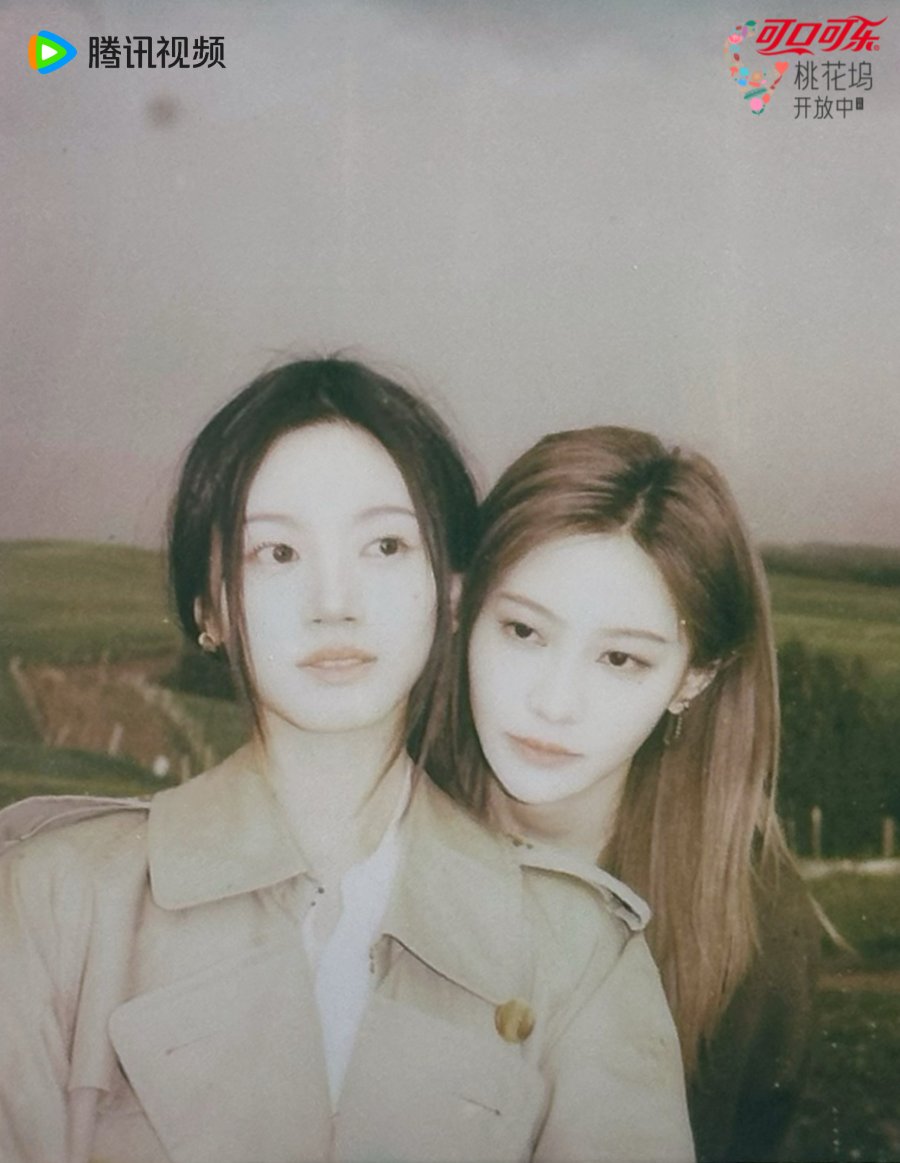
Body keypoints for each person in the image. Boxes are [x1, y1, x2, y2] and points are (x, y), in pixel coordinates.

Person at [0, 364, 694, 1163]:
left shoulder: (578, 949)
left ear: (452, 591)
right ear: (209, 606)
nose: (334, 601)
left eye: (386, 545)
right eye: (278, 552)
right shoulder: (53, 901)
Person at [438, 425, 820, 1163]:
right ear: (463, 610)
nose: (554, 703)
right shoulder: (367, 838)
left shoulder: (758, 929)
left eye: (619, 659)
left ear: (694, 677)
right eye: (523, 631)